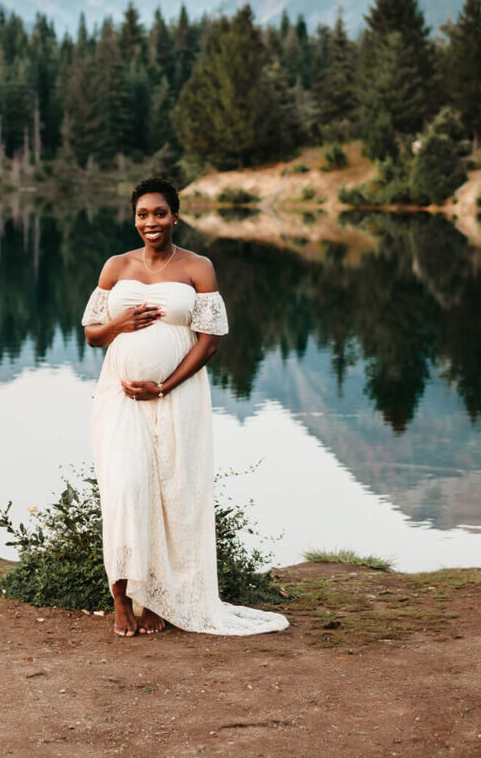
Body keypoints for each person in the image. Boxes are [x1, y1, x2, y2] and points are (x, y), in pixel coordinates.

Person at [80, 177, 289, 638]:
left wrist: (164, 386)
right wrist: (119, 322)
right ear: (133, 218)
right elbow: (92, 334)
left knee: (174, 492)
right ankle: (121, 597)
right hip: (119, 397)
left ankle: (158, 598)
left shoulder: (199, 267)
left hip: (177, 395)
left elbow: (210, 341)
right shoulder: (115, 266)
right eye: (142, 214)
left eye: (159, 213)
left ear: (175, 216)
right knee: (126, 488)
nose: (150, 222)